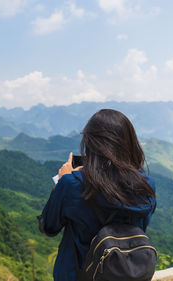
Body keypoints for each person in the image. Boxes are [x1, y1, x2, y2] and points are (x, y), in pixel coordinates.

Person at [38, 109, 156, 281]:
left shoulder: (72, 184)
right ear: (130, 143)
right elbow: (140, 228)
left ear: (90, 143)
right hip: (128, 272)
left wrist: (62, 181)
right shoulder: (145, 185)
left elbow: (49, 226)